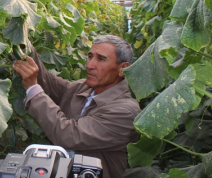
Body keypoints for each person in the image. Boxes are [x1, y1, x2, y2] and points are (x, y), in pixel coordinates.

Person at [12, 35, 140, 178]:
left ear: (123, 69)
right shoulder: (84, 87)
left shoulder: (125, 112)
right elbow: (49, 82)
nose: (90, 65)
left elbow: (67, 135)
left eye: (101, 59)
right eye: (90, 56)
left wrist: (33, 89)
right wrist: (23, 43)